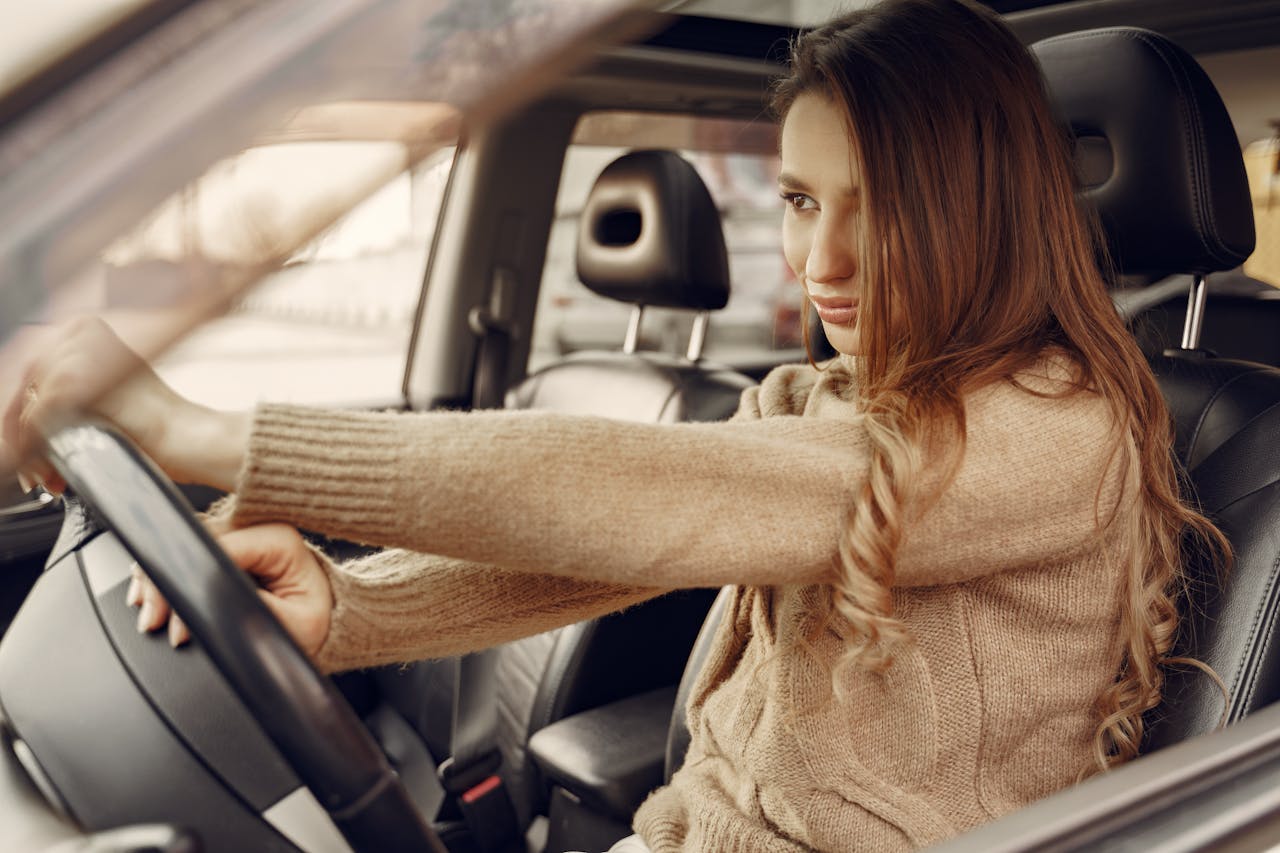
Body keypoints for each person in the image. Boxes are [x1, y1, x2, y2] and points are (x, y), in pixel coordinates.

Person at [2, 0, 1230, 850]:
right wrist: (358, 607)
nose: (820, 258)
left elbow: (666, 490)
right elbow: (609, 539)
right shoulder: (813, 401)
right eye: (799, 199)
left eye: (880, 207)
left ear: (984, 211)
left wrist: (203, 431)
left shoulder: (1057, 434)